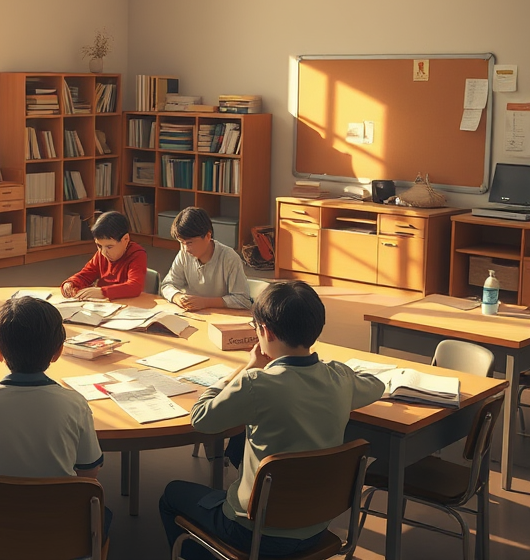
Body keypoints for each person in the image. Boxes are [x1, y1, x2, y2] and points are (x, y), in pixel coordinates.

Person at [159, 281, 385, 559]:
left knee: (171, 495)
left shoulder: (256, 383)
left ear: (264, 331)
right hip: (318, 526)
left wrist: (244, 370)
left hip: (254, 532)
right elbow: (376, 385)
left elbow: (201, 418)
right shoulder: (340, 377)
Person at [0, 295, 111, 532]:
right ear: (58, 352)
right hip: (61, 532)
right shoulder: (74, 404)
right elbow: (88, 473)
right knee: (104, 515)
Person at [160, 207, 250, 311]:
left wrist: (205, 302)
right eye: (181, 242)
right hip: (194, 315)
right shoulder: (184, 254)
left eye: (189, 242)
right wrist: (177, 297)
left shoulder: (229, 258)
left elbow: (243, 300)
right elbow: (167, 284)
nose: (185, 249)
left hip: (222, 317)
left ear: (208, 236)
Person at [61, 211, 148, 300]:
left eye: (109, 247)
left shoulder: (137, 254)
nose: (103, 252)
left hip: (128, 305)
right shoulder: (102, 253)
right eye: (99, 246)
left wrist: (102, 292)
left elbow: (134, 287)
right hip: (104, 306)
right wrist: (71, 283)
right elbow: (86, 275)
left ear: (125, 239)